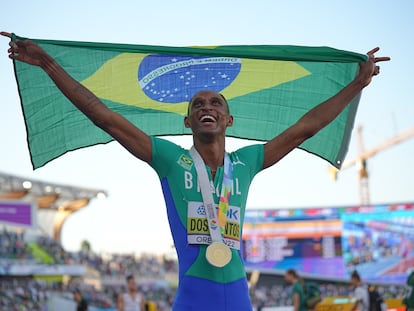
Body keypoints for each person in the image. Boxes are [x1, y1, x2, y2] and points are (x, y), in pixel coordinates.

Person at [1, 32, 390, 311]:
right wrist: (49, 64)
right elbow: (105, 117)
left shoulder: (248, 162)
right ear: (188, 122)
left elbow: (306, 127)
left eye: (216, 102)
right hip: (193, 296)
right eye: (199, 103)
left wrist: (357, 84)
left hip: (238, 293)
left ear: (228, 119)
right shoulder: (171, 159)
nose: (208, 106)